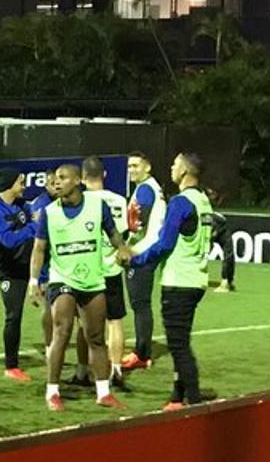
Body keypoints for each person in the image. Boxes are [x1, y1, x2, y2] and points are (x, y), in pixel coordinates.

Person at [28, 163, 127, 413]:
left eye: (62, 178)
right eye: (54, 179)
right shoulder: (49, 212)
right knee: (62, 330)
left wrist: (123, 249)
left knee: (95, 337)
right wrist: (33, 281)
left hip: (93, 280)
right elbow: (39, 248)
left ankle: (103, 392)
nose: (56, 182)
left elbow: (113, 235)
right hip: (62, 279)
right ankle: (52, 391)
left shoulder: (97, 206)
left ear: (77, 181)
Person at [128, 152, 216, 409]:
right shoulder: (203, 201)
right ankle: (178, 396)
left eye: (175, 164)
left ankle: (194, 400)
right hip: (197, 279)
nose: (171, 167)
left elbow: (165, 243)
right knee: (181, 343)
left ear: (185, 172)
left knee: (178, 346)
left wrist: (135, 260)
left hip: (179, 281)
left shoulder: (180, 202)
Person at [0, 170, 38, 385]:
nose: (24, 186)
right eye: (21, 182)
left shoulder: (23, 205)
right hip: (8, 271)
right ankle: (11, 366)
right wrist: (33, 226)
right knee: (14, 315)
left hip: (29, 265)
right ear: (9, 184)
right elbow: (8, 240)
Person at [78, 156, 129, 385]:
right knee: (115, 321)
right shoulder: (119, 200)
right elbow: (124, 233)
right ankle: (116, 368)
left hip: (89, 270)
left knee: (85, 322)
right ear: (104, 175)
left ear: (82, 177)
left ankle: (87, 369)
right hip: (113, 268)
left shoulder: (81, 201)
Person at [122, 152, 167, 371]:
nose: (131, 169)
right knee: (141, 304)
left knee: (140, 305)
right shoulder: (150, 187)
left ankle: (142, 353)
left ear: (147, 167)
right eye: (129, 166)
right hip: (147, 250)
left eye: (136, 165)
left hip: (141, 253)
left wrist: (128, 250)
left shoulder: (145, 189)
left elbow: (139, 225)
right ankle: (142, 351)